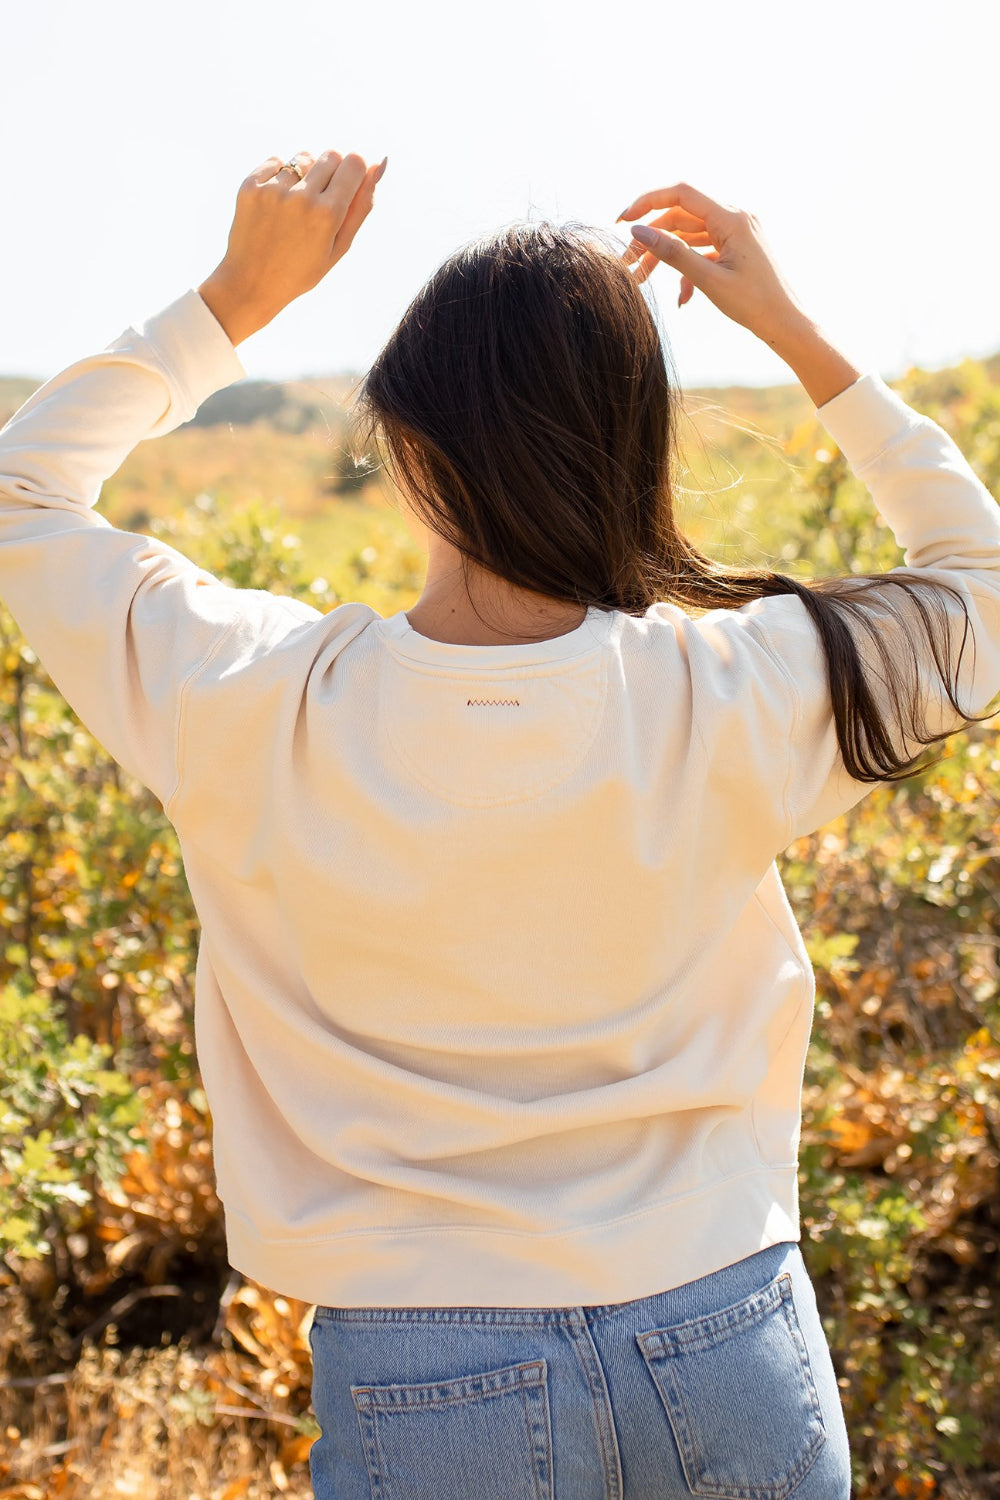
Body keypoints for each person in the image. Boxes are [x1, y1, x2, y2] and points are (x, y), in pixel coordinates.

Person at [2, 150, 999, 1500]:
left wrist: (235, 299)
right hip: (726, 1324)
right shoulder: (733, 686)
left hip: (428, 1369)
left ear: (407, 453)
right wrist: (794, 333)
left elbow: (24, 497)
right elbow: (979, 584)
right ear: (636, 453)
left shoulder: (247, 693)